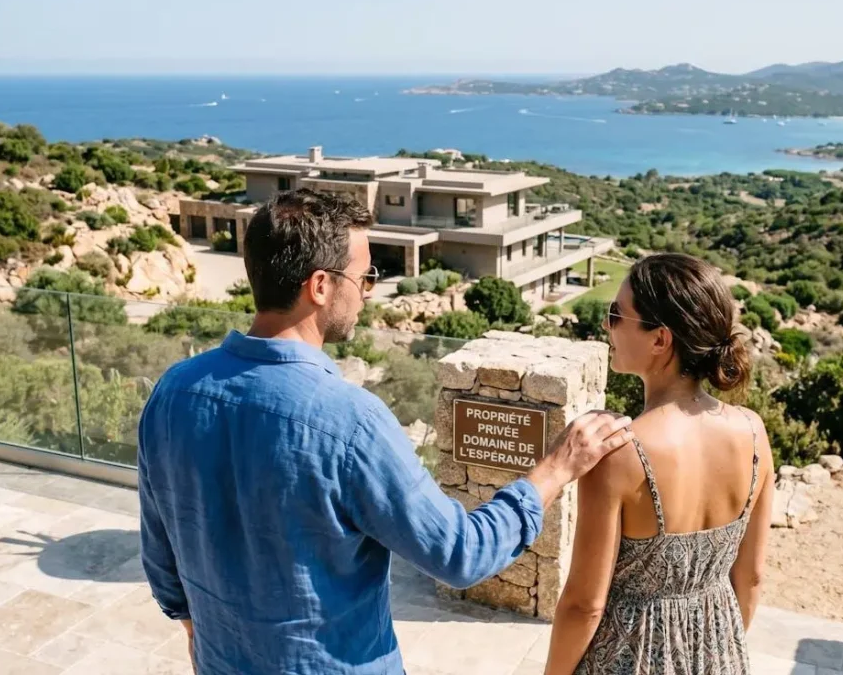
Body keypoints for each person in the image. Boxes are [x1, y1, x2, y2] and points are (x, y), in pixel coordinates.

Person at [137, 188, 635, 675]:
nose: (369, 291)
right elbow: (461, 554)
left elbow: (159, 548)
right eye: (366, 276)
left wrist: (200, 636)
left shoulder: (173, 391)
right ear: (320, 286)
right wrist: (555, 469)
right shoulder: (349, 420)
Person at [543, 253, 775, 675]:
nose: (606, 326)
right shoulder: (754, 432)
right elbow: (752, 576)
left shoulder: (619, 453)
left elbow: (584, 605)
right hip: (718, 651)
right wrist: (717, 649)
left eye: (616, 315)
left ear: (660, 340)